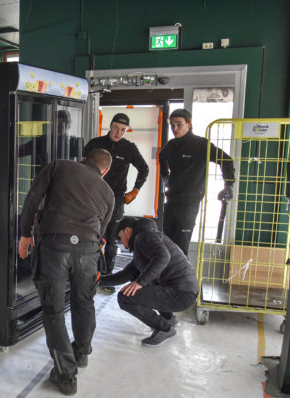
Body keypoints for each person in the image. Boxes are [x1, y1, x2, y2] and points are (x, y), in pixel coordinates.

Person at [18, 149, 114, 395]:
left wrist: (25, 234)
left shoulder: (59, 166)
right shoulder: (108, 193)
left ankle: (66, 376)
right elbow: (101, 231)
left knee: (54, 310)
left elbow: (33, 198)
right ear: (105, 171)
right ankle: (81, 352)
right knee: (84, 302)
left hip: (55, 247)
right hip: (88, 251)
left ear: (84, 159)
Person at [99, 217, 199, 346]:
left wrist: (140, 282)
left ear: (127, 231)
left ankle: (165, 329)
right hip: (186, 291)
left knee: (125, 297)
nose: (121, 242)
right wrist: (97, 281)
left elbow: (163, 256)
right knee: (144, 279)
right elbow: (125, 275)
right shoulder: (144, 242)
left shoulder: (144, 236)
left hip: (181, 292)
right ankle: (168, 318)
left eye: (120, 236)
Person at [84, 113, 149, 289]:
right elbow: (81, 165)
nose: (118, 132)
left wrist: (135, 190)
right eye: (115, 128)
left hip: (116, 197)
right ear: (110, 126)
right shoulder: (95, 144)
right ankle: (88, 273)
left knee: (112, 238)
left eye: (122, 130)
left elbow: (144, 168)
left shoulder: (129, 148)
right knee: (90, 234)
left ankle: (107, 277)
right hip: (94, 196)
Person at [159, 108, 235, 256]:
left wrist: (228, 184)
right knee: (167, 245)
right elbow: (162, 157)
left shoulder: (200, 144)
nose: (175, 128)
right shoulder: (171, 145)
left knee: (180, 248)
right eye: (172, 125)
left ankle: (182, 272)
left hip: (189, 203)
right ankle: (168, 271)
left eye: (179, 124)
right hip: (171, 200)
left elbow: (226, 160)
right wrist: (165, 176)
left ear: (189, 124)